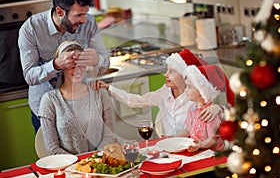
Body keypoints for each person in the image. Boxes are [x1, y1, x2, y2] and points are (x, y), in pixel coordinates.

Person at [18, 0, 109, 133]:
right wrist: (55, 65)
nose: (84, 20)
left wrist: (97, 59)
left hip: (81, 106)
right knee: (55, 154)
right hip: (46, 111)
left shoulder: (89, 23)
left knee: (88, 154)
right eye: (79, 15)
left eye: (85, 13)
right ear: (60, 12)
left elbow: (105, 64)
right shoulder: (31, 29)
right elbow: (30, 76)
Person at [94, 48, 224, 137]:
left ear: (184, 76)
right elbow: (135, 101)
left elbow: (222, 118)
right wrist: (109, 88)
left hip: (191, 146)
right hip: (168, 146)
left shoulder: (195, 95)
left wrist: (218, 108)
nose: (165, 75)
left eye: (171, 72)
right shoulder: (163, 93)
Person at [38, 40, 116, 155]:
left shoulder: (100, 93)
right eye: (72, 66)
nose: (78, 70)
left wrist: (93, 160)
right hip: (68, 167)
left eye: (81, 65)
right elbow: (52, 149)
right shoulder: (49, 101)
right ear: (62, 67)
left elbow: (109, 136)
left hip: (99, 163)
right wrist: (80, 164)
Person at [174, 64, 234, 152]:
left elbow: (214, 139)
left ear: (202, 91)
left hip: (212, 154)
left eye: (189, 87)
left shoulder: (210, 113)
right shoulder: (191, 109)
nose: (185, 90)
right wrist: (173, 138)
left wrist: (201, 145)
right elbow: (188, 130)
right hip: (197, 151)